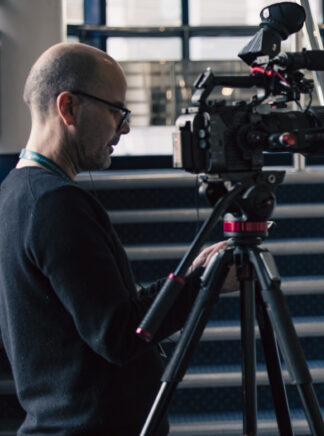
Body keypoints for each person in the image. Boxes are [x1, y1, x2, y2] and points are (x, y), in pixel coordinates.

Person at [0, 42, 231, 435]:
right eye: (115, 111)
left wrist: (191, 272)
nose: (124, 128)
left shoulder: (16, 192)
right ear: (68, 107)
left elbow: (107, 311)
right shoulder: (56, 204)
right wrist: (201, 285)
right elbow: (120, 335)